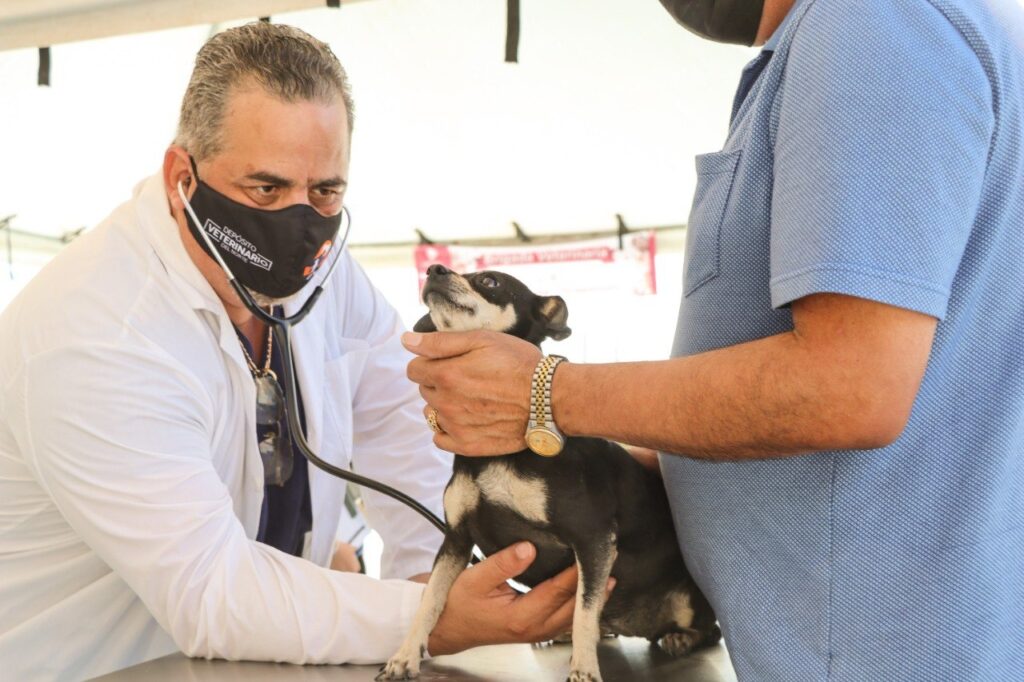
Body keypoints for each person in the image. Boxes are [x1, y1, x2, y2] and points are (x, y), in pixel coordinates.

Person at [402, 0, 1024, 679]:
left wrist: (547, 392)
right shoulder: (839, 39)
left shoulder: (872, 23)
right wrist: (648, 463)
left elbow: (849, 387)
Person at [0, 23, 579, 681]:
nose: (299, 224)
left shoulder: (325, 277)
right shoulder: (94, 332)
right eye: (265, 190)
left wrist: (430, 565)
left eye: (326, 191)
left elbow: (403, 410)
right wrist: (431, 615)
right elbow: (213, 593)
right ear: (181, 177)